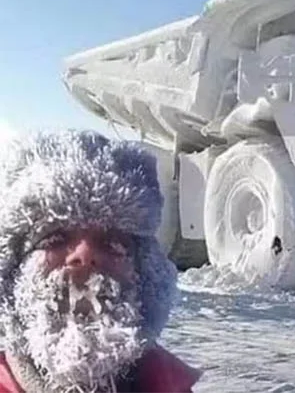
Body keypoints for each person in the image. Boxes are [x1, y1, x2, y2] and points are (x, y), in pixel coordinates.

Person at [0, 131, 201, 392]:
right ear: (12, 274)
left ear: (144, 274)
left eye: (113, 243)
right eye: (54, 239)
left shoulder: (171, 386)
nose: (85, 255)